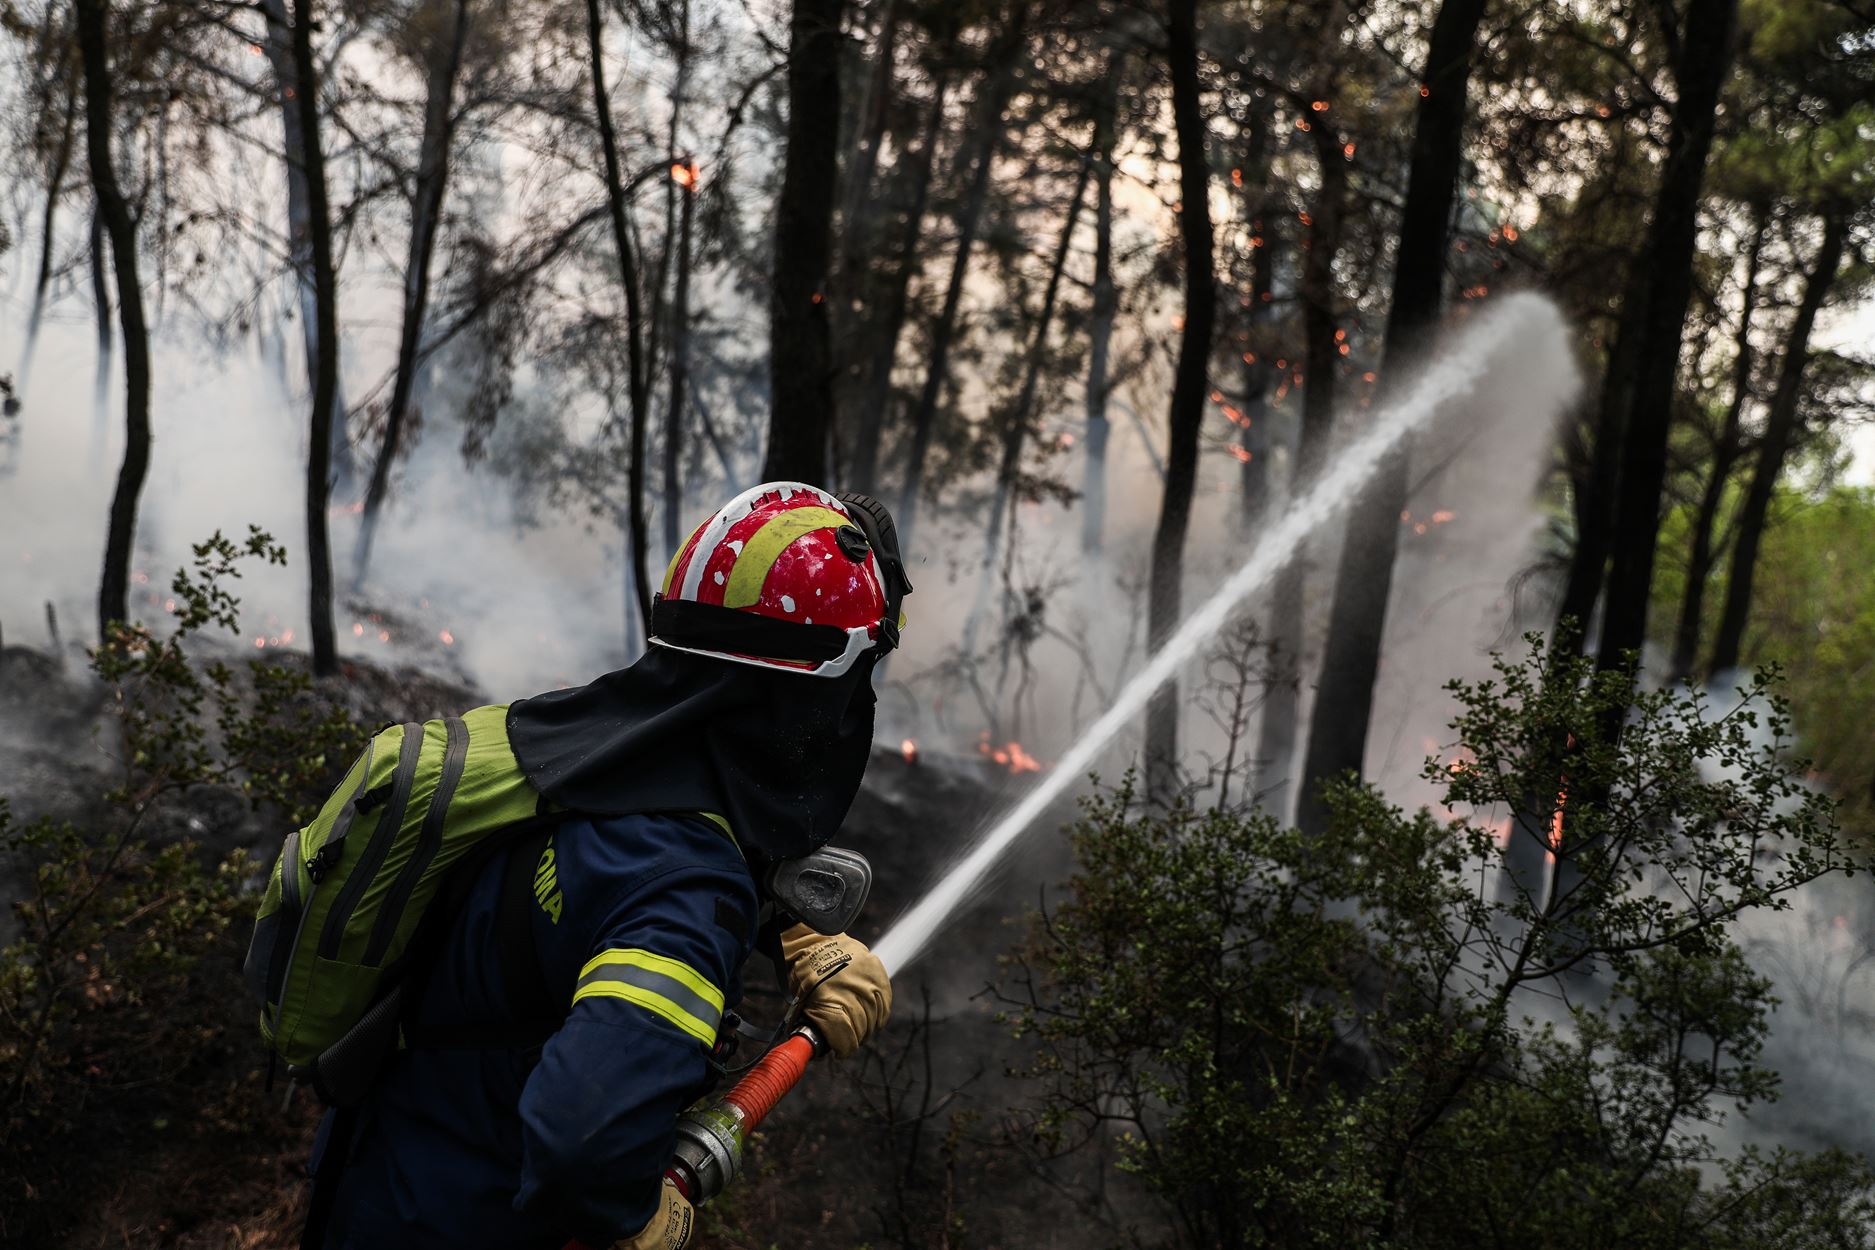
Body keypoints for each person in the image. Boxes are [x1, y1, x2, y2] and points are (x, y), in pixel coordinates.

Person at [311, 483, 907, 1250]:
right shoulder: (687, 897)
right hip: (466, 1220)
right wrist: (630, 1212)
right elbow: (582, 1148)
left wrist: (786, 929)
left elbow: (601, 880)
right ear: (815, 697)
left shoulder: (572, 753)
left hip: (381, 1169)